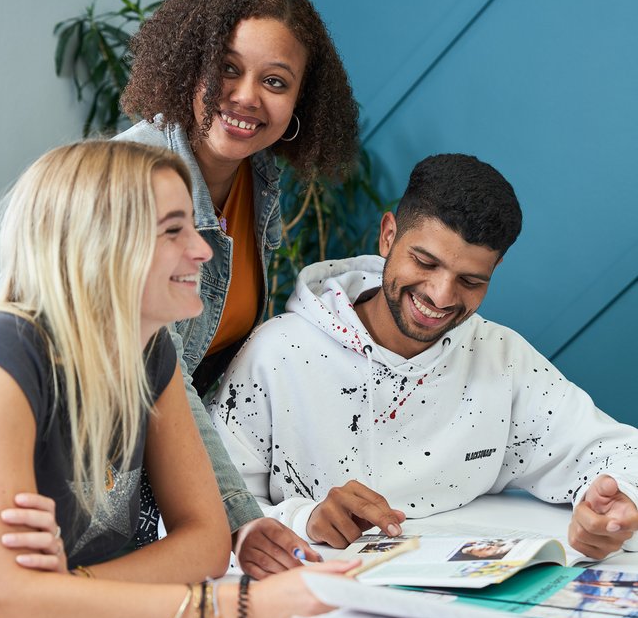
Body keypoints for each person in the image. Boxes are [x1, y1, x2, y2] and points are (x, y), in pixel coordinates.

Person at [0, 140, 352, 618]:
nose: (201, 249)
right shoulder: (0, 358)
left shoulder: (148, 349)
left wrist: (64, 594)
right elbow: (13, 612)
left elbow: (206, 542)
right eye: (173, 230)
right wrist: (237, 610)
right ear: (99, 243)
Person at [209, 153, 638, 560]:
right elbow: (205, 511)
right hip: (314, 599)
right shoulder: (278, 353)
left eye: (470, 279)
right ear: (389, 234)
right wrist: (305, 519)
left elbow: (617, 453)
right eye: (425, 262)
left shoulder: (500, 359)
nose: (441, 295)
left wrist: (617, 503)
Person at [118, 0, 359, 578]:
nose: (247, 96)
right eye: (226, 68)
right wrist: (239, 515)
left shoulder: (255, 182)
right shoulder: (139, 179)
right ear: (187, 69)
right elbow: (160, 375)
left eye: (274, 81)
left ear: (301, 103)